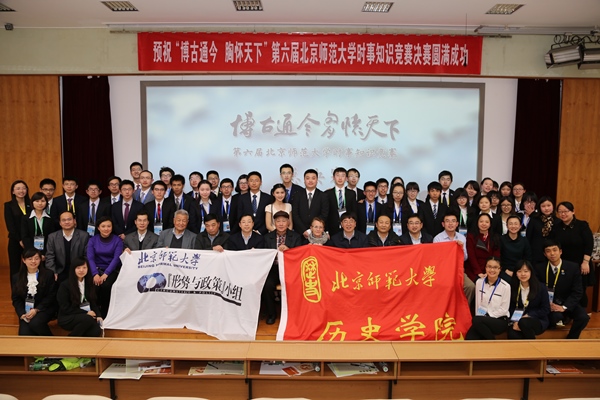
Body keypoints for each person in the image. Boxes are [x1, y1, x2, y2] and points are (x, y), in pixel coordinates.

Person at [535, 240, 589, 339]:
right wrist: (547, 304)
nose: (552, 253)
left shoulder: (573, 267)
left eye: (554, 250)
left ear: (560, 251)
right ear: (544, 254)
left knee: (583, 317)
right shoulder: (539, 268)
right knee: (555, 317)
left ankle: (571, 339)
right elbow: (537, 290)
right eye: (548, 251)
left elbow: (577, 291)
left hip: (567, 302)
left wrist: (564, 307)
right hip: (550, 304)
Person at [262, 211, 302, 324]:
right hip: (273, 268)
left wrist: (289, 251)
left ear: (288, 222)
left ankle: (294, 314)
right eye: (278, 221)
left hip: (290, 269)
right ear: (274, 223)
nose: (281, 224)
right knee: (267, 285)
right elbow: (264, 256)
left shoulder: (296, 237)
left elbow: (299, 255)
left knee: (296, 284)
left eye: (284, 221)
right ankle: (272, 314)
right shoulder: (267, 237)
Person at [552, 201, 594, 307]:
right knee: (564, 288)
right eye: (560, 212)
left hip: (580, 263)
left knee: (579, 289)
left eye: (566, 211)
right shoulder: (556, 227)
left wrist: (585, 262)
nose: (563, 214)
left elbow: (589, 244)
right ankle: (566, 310)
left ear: (573, 211)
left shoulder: (582, 225)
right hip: (564, 263)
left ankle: (581, 312)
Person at [11, 248, 57, 336]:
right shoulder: (17, 277)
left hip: (44, 308)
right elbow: (16, 299)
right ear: (24, 260)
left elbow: (51, 295)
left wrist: (36, 309)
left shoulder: (48, 274)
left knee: (35, 323)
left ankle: (53, 342)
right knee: (24, 333)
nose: (33, 261)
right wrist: (22, 313)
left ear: (40, 260)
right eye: (30, 259)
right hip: (26, 310)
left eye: (36, 258)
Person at [433, 212, 475, 305]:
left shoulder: (462, 237)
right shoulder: (437, 239)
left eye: (453, 221)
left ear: (457, 224)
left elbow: (465, 258)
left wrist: (461, 249)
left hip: (458, 270)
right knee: (446, 287)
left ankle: (462, 307)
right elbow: (437, 259)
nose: (450, 224)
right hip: (443, 272)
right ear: (443, 224)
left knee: (470, 286)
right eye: (447, 221)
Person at [465, 257, 510, 340]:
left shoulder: (505, 286)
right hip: (481, 319)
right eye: (489, 267)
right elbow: (478, 303)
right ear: (485, 268)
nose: (492, 270)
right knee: (469, 338)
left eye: (495, 267)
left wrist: (488, 316)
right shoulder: (479, 282)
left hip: (499, 320)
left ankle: (492, 341)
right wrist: (481, 317)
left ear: (500, 269)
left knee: (476, 320)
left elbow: (504, 309)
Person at [56, 257, 102, 337]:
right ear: (73, 269)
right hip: (67, 316)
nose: (81, 270)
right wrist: (86, 313)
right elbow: (65, 308)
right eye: (78, 268)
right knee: (88, 319)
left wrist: (98, 315)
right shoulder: (65, 285)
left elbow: (93, 301)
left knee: (96, 331)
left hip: (85, 317)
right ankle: (70, 338)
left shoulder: (89, 283)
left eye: (84, 267)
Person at [86, 216, 122, 318]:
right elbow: (90, 258)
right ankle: (94, 313)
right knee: (94, 286)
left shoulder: (117, 240)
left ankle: (105, 314)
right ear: (98, 228)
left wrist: (106, 274)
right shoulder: (92, 240)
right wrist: (95, 274)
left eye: (109, 226)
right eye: (103, 226)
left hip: (112, 270)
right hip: (96, 269)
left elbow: (116, 258)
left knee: (106, 286)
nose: (106, 229)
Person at [507, 260, 550, 340]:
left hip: (537, 320)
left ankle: (533, 346)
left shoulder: (541, 287)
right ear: (516, 273)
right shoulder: (512, 287)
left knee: (524, 322)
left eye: (526, 271)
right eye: (519, 271)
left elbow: (546, 309)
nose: (523, 274)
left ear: (531, 272)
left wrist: (528, 315)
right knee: (512, 334)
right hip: (517, 320)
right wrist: (515, 321)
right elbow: (511, 307)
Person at [45, 211, 90, 284]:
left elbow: (86, 255)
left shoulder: (84, 236)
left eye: (69, 219)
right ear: (60, 223)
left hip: (78, 271)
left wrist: (82, 270)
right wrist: (53, 272)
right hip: (59, 272)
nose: (67, 222)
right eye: (63, 220)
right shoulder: (52, 237)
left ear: (74, 221)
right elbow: (50, 256)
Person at [4, 180, 31, 279]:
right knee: (15, 268)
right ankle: (15, 288)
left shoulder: (31, 203)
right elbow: (10, 225)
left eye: (24, 188)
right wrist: (20, 240)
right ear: (13, 191)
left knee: (30, 266)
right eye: (18, 189)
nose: (21, 191)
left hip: (29, 239)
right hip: (15, 240)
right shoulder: (9, 205)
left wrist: (26, 240)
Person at [292, 169, 329, 239]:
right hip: (300, 233)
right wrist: (304, 230)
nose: (310, 181)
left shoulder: (323, 195)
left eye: (313, 178)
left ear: (317, 180)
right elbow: (295, 214)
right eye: (308, 178)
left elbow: (324, 214)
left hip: (317, 234)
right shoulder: (297, 195)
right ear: (304, 180)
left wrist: (313, 229)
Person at [466, 213, 501, 282]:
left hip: (490, 269)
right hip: (474, 270)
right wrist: (478, 272)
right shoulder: (471, 236)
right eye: (481, 221)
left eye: (487, 222)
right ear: (477, 223)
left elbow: (496, 256)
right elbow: (471, 256)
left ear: (490, 224)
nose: (484, 224)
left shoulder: (495, 237)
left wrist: (489, 271)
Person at [20, 192, 55, 258]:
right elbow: (25, 237)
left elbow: (51, 237)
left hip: (46, 253)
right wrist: (34, 253)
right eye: (37, 201)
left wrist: (44, 253)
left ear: (46, 203)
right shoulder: (26, 218)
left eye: (43, 201)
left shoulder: (50, 218)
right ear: (32, 202)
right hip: (30, 252)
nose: (40, 203)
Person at [324, 167, 357, 236]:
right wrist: (326, 230)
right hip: (332, 228)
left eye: (343, 176)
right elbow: (325, 213)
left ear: (346, 178)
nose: (340, 178)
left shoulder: (351, 193)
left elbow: (354, 212)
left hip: (348, 227)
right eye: (337, 175)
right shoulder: (327, 194)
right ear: (333, 178)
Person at [500, 215, 532, 282]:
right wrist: (506, 270)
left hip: (521, 270)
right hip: (505, 270)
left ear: (520, 226)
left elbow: (528, 258)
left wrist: (521, 271)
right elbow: (499, 258)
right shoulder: (501, 239)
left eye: (516, 224)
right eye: (510, 224)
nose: (513, 226)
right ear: (507, 226)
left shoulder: (524, 240)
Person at [521, 191, 545, 265]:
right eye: (526, 202)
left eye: (531, 202)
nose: (529, 205)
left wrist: (532, 214)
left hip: (534, 249)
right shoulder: (519, 215)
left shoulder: (540, 217)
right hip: (520, 245)